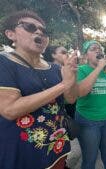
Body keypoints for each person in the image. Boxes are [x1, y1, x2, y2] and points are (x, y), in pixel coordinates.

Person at [0, 10, 77, 169]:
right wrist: (63, 85)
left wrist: (70, 78)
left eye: (44, 31)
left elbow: (70, 99)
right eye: (29, 27)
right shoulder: (4, 62)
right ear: (11, 34)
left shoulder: (55, 68)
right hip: (23, 157)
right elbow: (9, 109)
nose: (38, 32)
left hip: (58, 149)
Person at [75, 40, 106, 169]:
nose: (98, 51)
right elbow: (81, 92)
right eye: (93, 49)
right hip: (88, 122)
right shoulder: (81, 70)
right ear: (85, 56)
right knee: (90, 158)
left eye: (100, 49)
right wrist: (100, 67)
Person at [44, 46, 76, 119]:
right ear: (53, 55)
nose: (67, 54)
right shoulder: (47, 69)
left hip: (70, 106)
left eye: (67, 52)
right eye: (63, 53)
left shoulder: (69, 68)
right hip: (53, 110)